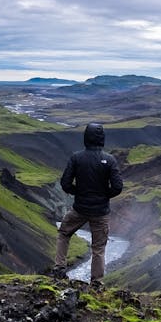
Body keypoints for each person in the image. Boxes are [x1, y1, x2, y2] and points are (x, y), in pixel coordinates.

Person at [54, 122, 123, 287]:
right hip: (100, 212)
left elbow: (65, 183)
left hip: (79, 209)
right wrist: (104, 195)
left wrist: (78, 192)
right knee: (98, 247)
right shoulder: (110, 160)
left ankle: (59, 269)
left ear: (86, 138)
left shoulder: (76, 158)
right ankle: (97, 283)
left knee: (64, 233)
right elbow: (118, 187)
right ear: (102, 139)